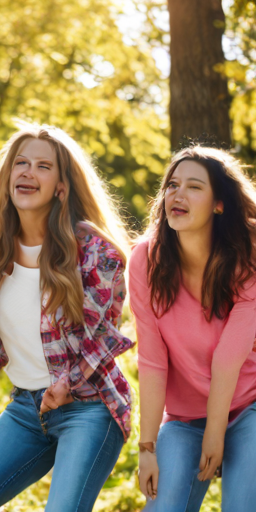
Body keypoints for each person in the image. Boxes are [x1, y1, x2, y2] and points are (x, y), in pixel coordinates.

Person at [0, 123, 134, 512]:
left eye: (43, 166)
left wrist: (67, 383)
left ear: (62, 185)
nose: (27, 172)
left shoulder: (92, 250)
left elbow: (107, 336)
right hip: (27, 408)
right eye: (20, 163)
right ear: (8, 177)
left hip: (88, 407)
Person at [129, 145, 256, 511]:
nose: (177, 194)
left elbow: (229, 357)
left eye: (194, 187)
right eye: (172, 184)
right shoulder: (145, 261)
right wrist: (147, 447)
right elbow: (152, 361)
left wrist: (215, 435)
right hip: (185, 419)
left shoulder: (247, 251)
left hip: (248, 405)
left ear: (219, 203)